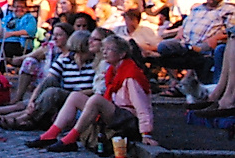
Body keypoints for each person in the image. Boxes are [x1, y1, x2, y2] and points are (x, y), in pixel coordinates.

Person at [27, 34, 158, 151]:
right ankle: (51, 134)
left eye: (109, 49)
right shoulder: (112, 71)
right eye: (104, 49)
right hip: (116, 111)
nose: (104, 52)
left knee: (96, 99)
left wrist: (146, 133)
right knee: (75, 96)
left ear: (122, 54)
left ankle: (71, 138)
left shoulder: (130, 75)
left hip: (128, 119)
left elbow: (142, 106)